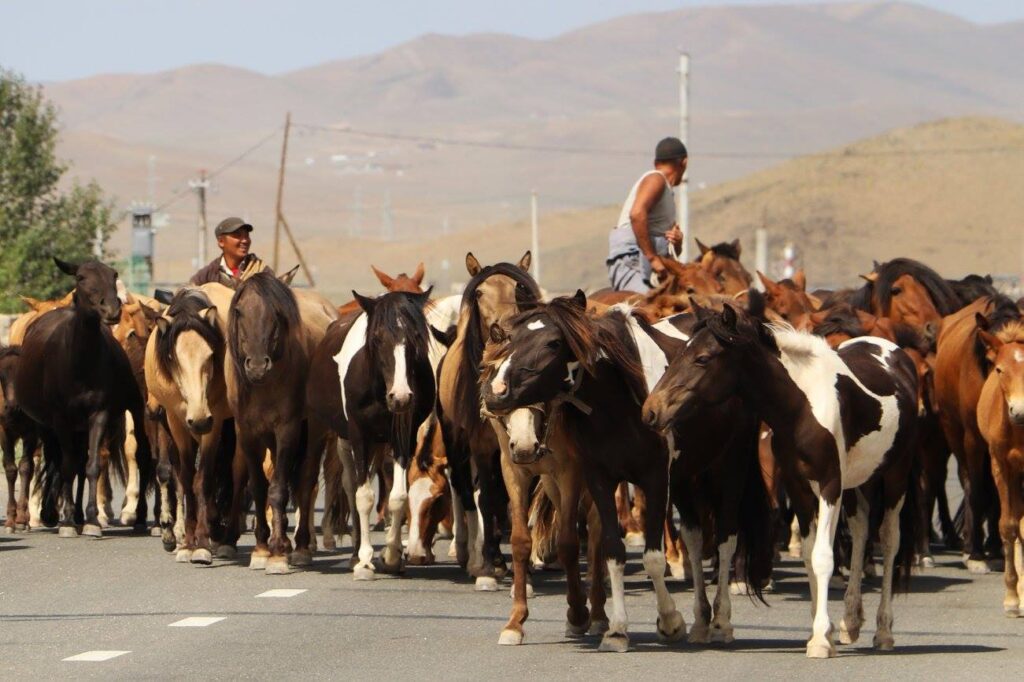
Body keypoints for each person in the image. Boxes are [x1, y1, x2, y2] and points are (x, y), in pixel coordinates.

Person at [606, 137, 687, 293]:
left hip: (652, 265)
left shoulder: (667, 193)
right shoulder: (656, 179)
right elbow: (636, 214)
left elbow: (671, 251)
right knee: (645, 310)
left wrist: (677, 243)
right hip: (634, 260)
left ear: (656, 162)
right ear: (684, 162)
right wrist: (652, 258)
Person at [189, 216, 273, 286]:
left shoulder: (262, 271)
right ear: (221, 242)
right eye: (238, 235)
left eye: (246, 236)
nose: (245, 241)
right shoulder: (207, 276)